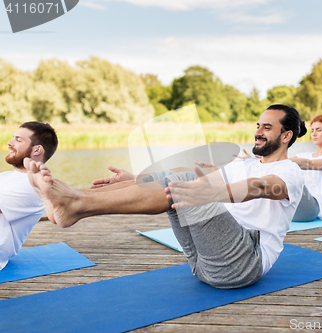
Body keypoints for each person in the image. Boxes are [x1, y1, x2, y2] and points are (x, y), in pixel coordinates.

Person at [25, 105, 306, 289]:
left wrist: (216, 191)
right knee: (175, 175)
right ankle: (74, 199)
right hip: (203, 261)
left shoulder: (290, 171)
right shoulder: (242, 163)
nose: (257, 131)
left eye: (267, 128)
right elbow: (188, 177)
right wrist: (136, 180)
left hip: (242, 264)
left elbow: (262, 186)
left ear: (286, 136)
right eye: (258, 125)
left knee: (182, 181)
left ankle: (74, 203)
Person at [0, 122, 58, 270]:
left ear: (37, 149)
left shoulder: (32, 185)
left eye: (18, 140)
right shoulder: (7, 176)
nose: (9, 143)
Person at [289, 115, 322, 221]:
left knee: (291, 177)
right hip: (294, 208)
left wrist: (276, 160)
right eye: (312, 130)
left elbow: (310, 164)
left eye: (318, 130)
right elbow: (281, 163)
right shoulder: (303, 155)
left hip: (312, 209)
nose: (314, 134)